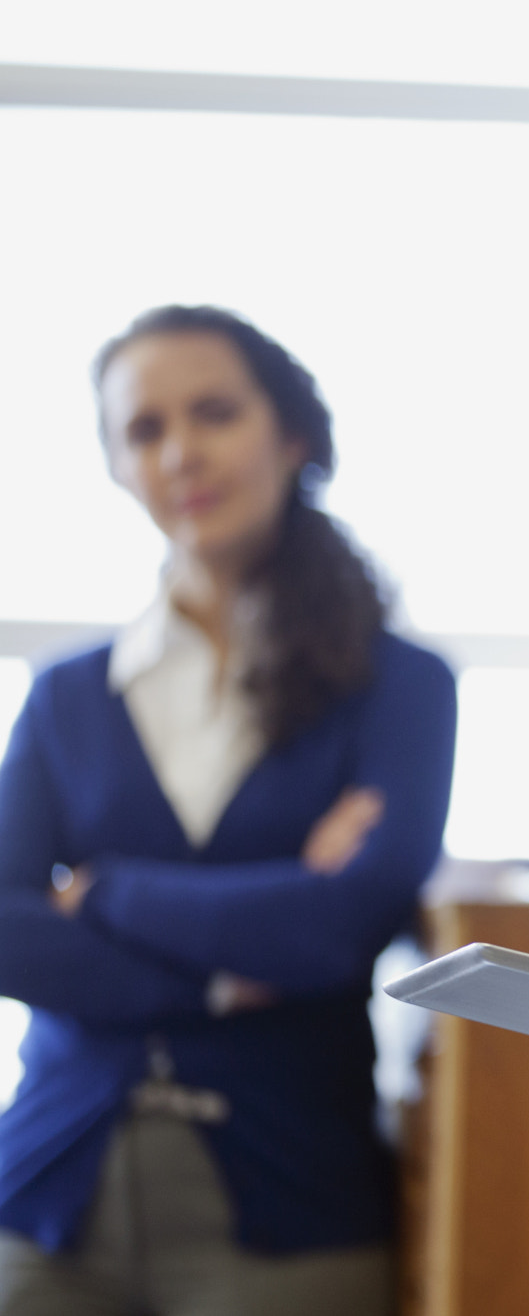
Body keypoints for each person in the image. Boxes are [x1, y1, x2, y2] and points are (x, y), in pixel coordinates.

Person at [0, 305, 458, 1314]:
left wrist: (108, 892)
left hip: (292, 1204)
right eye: (144, 430)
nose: (180, 452)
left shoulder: (398, 688)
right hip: (47, 1199)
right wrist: (225, 971)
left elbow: (341, 924)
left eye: (212, 412)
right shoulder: (67, 694)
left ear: (290, 435)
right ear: (118, 466)